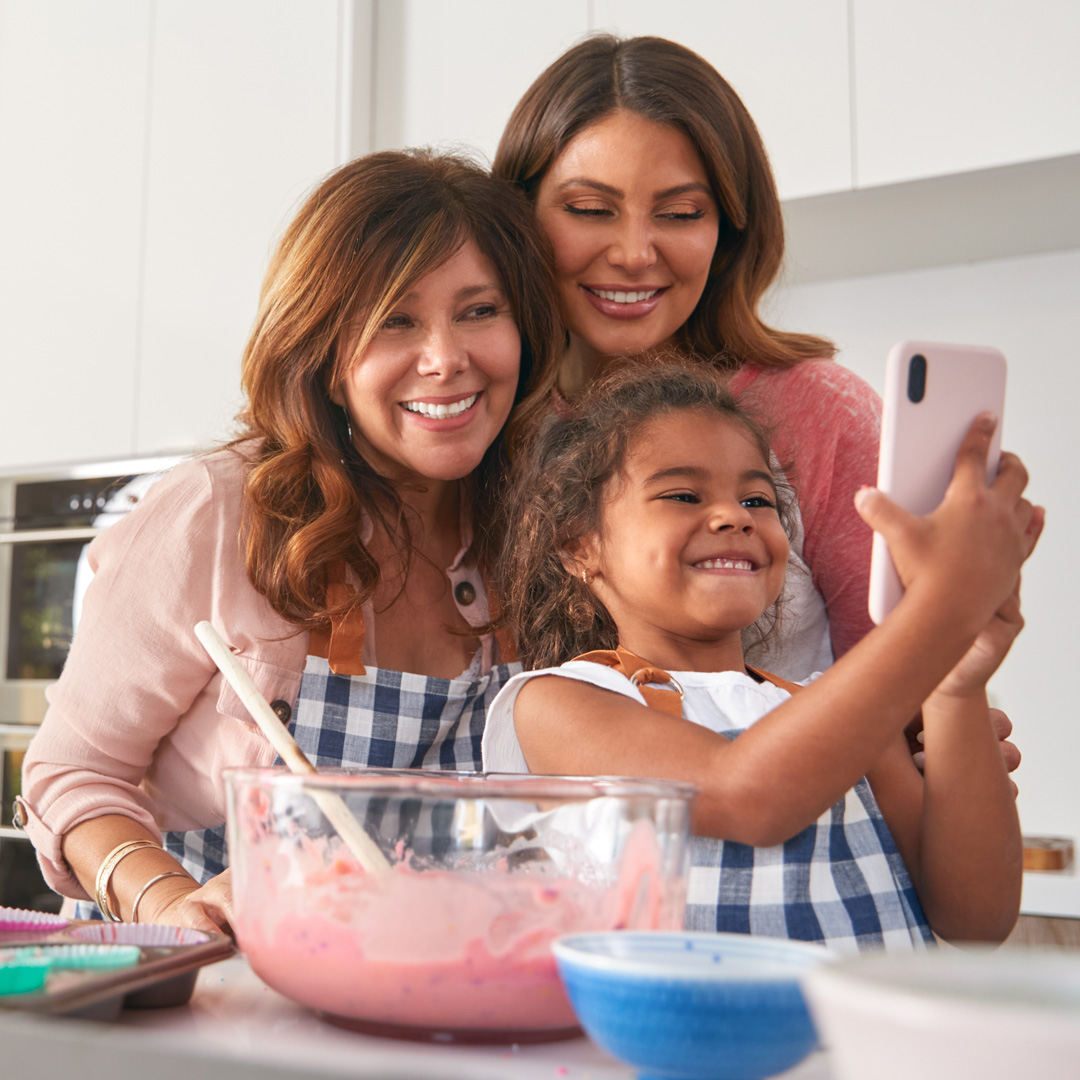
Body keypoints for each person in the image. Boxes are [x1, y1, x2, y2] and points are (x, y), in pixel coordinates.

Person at [19, 150, 563, 932]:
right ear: (326, 353)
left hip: (457, 987)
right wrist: (169, 904)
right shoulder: (219, 509)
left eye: (480, 311)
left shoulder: (544, 525)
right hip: (233, 997)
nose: (447, 358)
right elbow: (73, 772)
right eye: (394, 320)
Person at [493, 32, 1021, 767]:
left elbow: (913, 697)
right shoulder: (487, 417)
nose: (635, 252)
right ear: (519, 219)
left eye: (680, 214)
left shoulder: (817, 412)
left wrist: (950, 736)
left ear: (728, 233)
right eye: (590, 209)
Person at [483, 361, 1042, 951]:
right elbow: (748, 796)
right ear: (580, 546)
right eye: (682, 494)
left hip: (869, 1044)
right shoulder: (558, 704)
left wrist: (956, 684)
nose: (734, 517)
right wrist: (940, 615)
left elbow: (977, 919)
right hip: (693, 1042)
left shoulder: (835, 712)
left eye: (758, 499)